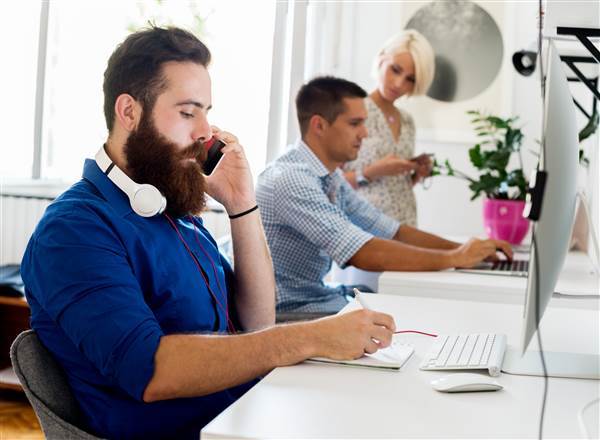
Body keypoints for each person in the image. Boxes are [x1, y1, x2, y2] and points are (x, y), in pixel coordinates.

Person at [20, 27, 396, 440]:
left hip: (244, 415)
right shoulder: (73, 231)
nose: (205, 131)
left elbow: (257, 322)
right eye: (187, 112)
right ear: (129, 111)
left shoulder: (167, 206)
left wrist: (242, 205)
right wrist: (309, 337)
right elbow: (149, 370)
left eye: (206, 111)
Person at [255, 76, 512, 314]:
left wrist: (467, 249)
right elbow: (361, 252)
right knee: (404, 316)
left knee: (401, 309)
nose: (364, 133)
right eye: (355, 123)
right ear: (319, 125)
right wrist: (455, 258)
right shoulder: (290, 178)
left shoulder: (330, 176)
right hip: (288, 310)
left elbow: (391, 230)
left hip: (316, 296)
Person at [343, 29, 435, 227]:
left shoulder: (408, 121)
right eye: (395, 69)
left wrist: (416, 173)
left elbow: (393, 186)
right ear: (382, 59)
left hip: (406, 226)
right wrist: (370, 172)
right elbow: (328, 183)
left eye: (410, 79)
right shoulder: (353, 110)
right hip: (363, 229)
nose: (399, 83)